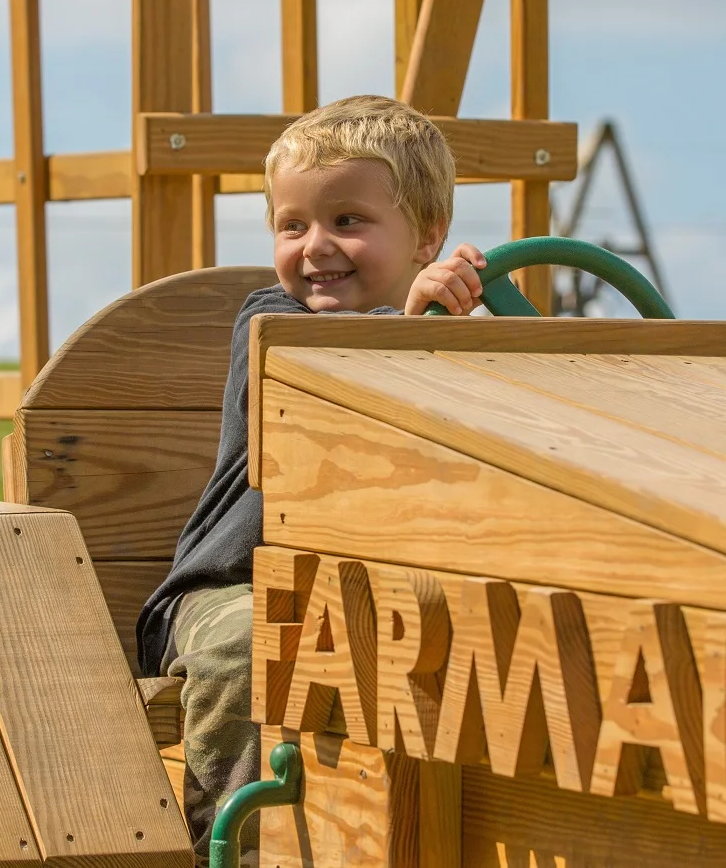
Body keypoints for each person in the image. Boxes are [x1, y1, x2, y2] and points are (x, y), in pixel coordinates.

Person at [134, 95, 486, 864]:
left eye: (348, 221)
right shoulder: (269, 324)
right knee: (249, 648)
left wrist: (465, 338)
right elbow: (333, 381)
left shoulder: (464, 337)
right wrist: (414, 327)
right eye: (292, 226)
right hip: (233, 588)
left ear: (429, 235)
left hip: (372, 590)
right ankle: (234, 850)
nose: (316, 246)